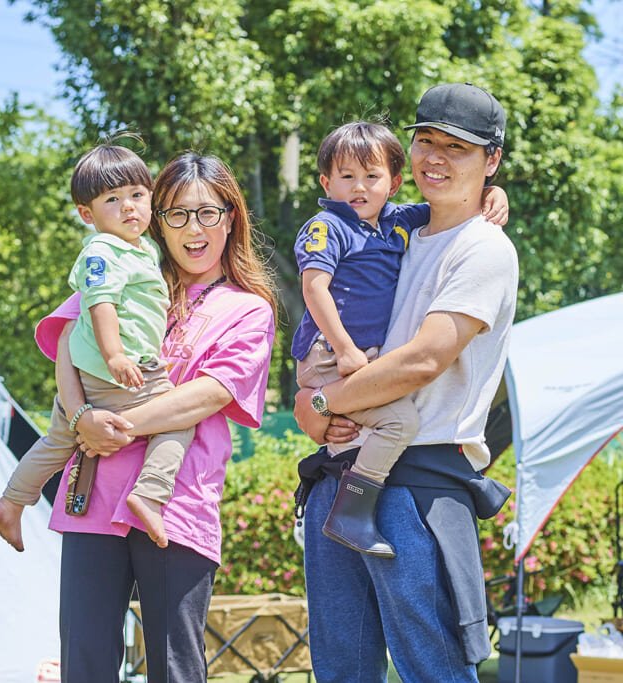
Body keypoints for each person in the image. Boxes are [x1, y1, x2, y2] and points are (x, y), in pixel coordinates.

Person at [293, 83, 518, 682]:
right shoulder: (388, 230)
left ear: (491, 161)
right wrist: (313, 409)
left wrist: (319, 401)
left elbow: (424, 360)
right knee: (340, 672)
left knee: (434, 671)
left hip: (414, 489)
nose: (436, 158)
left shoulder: (483, 249)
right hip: (336, 473)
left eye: (459, 149)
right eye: (426, 142)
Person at [39, 152, 277, 683]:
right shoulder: (123, 270)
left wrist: (115, 425)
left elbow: (208, 395)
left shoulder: (249, 309)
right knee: (85, 664)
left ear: (231, 217)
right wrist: (80, 417)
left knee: (174, 668)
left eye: (208, 213)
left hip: (175, 505)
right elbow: (67, 348)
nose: (194, 229)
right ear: (156, 219)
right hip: (92, 495)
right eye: (177, 214)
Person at [292, 121, 508, 558]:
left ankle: (350, 502)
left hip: (363, 365)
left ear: (392, 185)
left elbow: (447, 205)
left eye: (371, 177)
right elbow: (313, 288)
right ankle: (352, 509)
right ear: (325, 182)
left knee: (374, 420)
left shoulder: (392, 222)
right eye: (346, 176)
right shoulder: (327, 225)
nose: (359, 187)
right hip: (331, 355)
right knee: (399, 422)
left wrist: (494, 193)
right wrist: (343, 355)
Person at [0, 139, 193, 551]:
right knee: (179, 419)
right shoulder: (103, 250)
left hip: (91, 372)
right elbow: (100, 303)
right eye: (112, 200)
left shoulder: (143, 249)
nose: (129, 207)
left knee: (59, 441)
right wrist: (115, 353)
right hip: (115, 371)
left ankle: (11, 501)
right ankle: (150, 493)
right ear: (87, 214)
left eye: (137, 195)